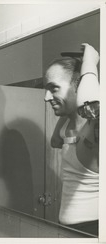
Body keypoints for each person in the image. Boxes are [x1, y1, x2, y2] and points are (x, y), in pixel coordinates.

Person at [44, 43, 99, 236]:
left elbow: (90, 103)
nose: (46, 97)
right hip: (67, 227)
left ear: (78, 87)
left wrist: (90, 62)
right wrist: (67, 111)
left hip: (94, 228)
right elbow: (55, 142)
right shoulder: (66, 126)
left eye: (54, 89)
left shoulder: (96, 127)